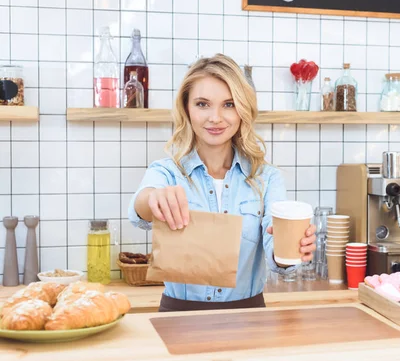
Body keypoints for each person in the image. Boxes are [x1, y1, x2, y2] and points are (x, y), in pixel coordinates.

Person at [128, 54, 316, 312]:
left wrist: (291, 250)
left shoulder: (267, 178)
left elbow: (278, 258)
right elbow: (140, 209)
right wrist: (153, 199)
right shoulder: (167, 172)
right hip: (178, 319)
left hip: (248, 320)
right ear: (186, 109)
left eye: (228, 104)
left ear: (242, 110)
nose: (215, 118)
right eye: (203, 104)